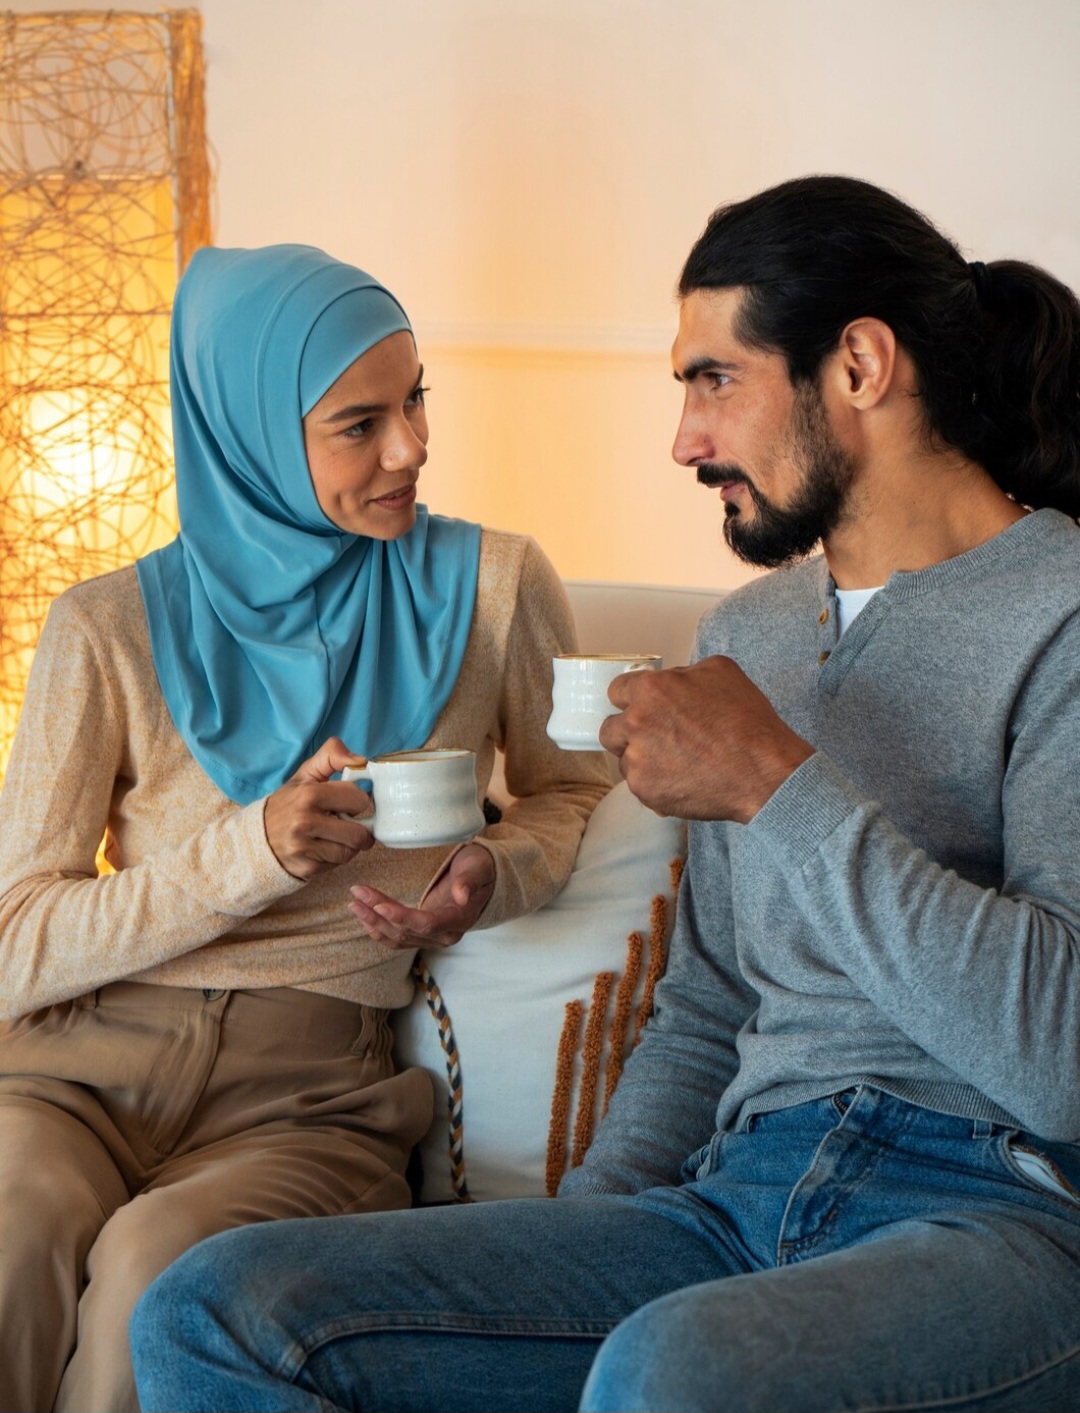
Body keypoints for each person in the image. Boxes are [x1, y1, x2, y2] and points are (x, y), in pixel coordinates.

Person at [130, 175, 1080, 1413]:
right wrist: (577, 1249)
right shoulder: (756, 635)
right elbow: (708, 1003)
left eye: (713, 381)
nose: (685, 440)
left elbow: (1058, 1057)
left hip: (995, 1219)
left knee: (674, 1367)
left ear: (858, 366)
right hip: (733, 1201)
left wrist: (775, 782)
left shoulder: (1058, 615)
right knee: (218, 1309)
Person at [0, 243, 610, 1413]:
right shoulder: (106, 630)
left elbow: (570, 791)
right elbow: (19, 939)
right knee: (13, 1232)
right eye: (360, 423)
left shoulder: (495, 586)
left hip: (307, 1093)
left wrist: (490, 869)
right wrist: (249, 854)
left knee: (151, 1282)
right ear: (248, 434)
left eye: (418, 399)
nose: (412, 447)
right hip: (76, 1075)